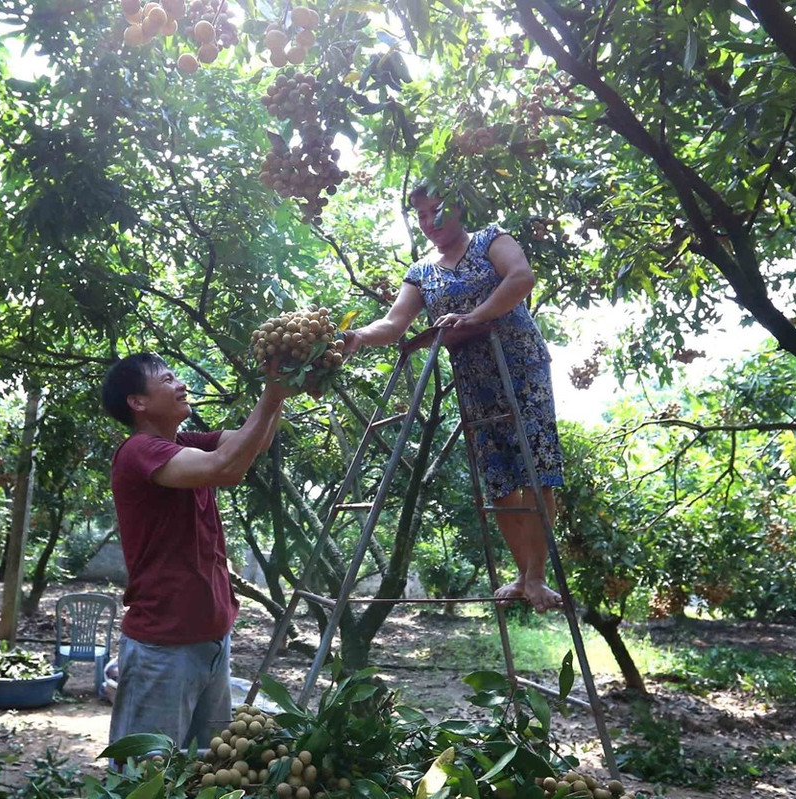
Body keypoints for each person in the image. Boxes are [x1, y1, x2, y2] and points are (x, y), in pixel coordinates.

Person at [343, 185, 565, 612]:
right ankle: (523, 575)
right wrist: (354, 338)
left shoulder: (491, 240)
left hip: (520, 365)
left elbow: (522, 278)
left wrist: (473, 316)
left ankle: (536, 577)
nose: (429, 223)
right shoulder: (421, 272)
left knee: (536, 468)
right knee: (498, 480)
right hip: (475, 380)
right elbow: (392, 324)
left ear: (460, 206)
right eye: (421, 216)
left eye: (436, 212)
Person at [101, 352, 298, 752]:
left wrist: (286, 384)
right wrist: (274, 391)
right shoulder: (140, 451)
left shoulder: (182, 443)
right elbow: (226, 468)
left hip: (211, 639)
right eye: (168, 379)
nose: (181, 384)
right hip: (164, 646)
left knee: (205, 768)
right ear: (137, 402)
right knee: (145, 777)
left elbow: (253, 443)